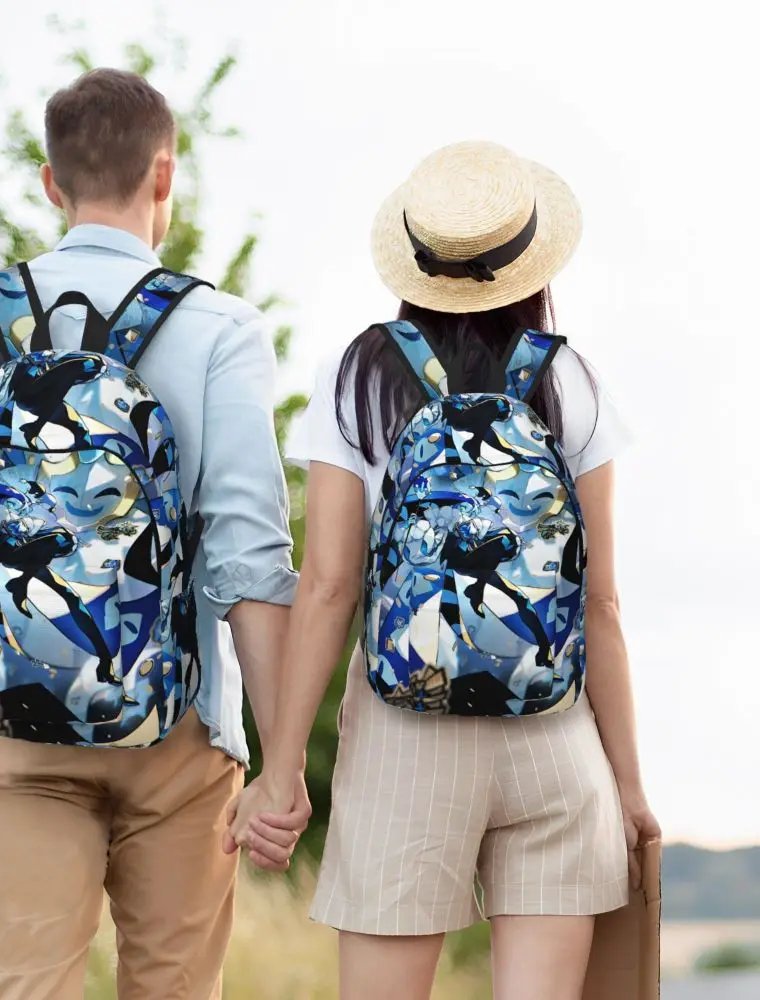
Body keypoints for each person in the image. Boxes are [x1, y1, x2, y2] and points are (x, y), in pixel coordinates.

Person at [0, 68, 309, 1000]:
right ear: (165, 177)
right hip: (178, 730)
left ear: (51, 183)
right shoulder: (220, 329)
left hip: (8, 729)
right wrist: (282, 762)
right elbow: (250, 565)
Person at [228, 140, 661, 1000]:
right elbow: (601, 604)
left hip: (404, 737)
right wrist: (629, 787)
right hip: (554, 737)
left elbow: (328, 587)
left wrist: (280, 770)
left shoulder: (359, 375)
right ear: (530, 263)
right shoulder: (571, 380)